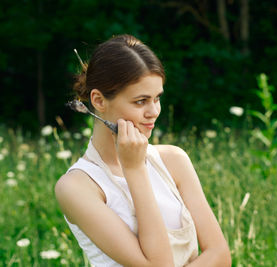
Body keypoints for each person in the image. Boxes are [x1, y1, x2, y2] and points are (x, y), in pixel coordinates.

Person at [55, 34, 231, 267]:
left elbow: (220, 254)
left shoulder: (173, 160)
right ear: (98, 100)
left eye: (157, 98)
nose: (154, 112)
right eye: (140, 101)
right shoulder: (77, 187)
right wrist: (134, 168)